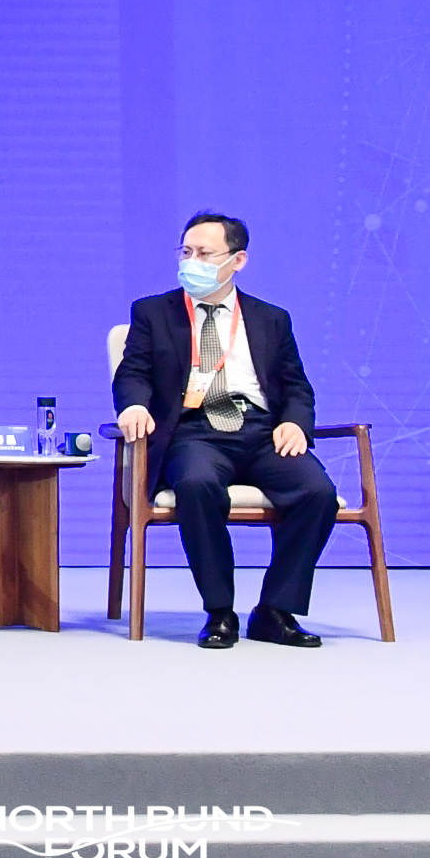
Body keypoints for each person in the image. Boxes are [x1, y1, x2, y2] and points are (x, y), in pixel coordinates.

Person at [112, 212, 337, 649]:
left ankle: (275, 610)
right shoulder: (153, 312)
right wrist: (134, 405)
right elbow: (133, 371)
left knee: (317, 492)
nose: (191, 262)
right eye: (186, 252)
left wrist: (294, 421)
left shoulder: (271, 318)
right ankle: (219, 612)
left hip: (261, 431)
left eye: (204, 254)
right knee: (196, 484)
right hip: (194, 431)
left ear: (237, 261)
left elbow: (296, 385)